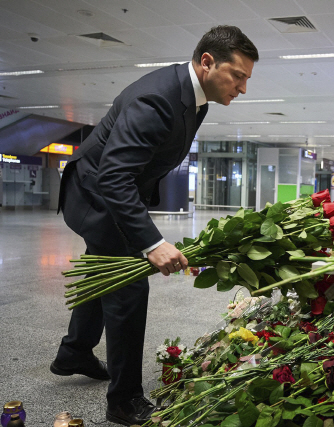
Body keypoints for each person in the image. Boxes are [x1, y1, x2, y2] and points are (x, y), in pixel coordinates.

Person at [50, 26, 259, 426]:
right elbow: (113, 176)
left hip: (108, 189)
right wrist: (151, 243)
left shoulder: (197, 100)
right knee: (128, 286)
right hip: (94, 195)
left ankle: (74, 351)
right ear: (207, 62)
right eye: (239, 76)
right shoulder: (156, 99)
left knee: (105, 270)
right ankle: (124, 401)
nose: (243, 88)